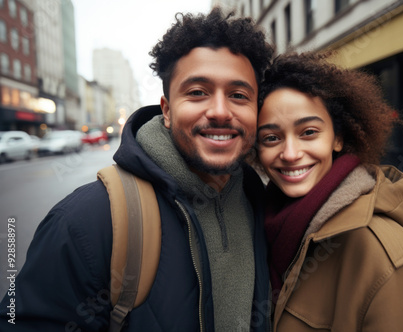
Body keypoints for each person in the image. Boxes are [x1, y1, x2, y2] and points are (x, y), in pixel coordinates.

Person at [0, 8, 274, 331]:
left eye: (238, 95)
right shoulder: (86, 221)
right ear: (167, 110)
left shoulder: (264, 205)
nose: (219, 111)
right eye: (197, 92)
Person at [256, 52, 403, 331]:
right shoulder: (261, 222)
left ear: (338, 138)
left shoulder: (387, 260)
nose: (291, 153)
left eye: (308, 132)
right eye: (272, 138)